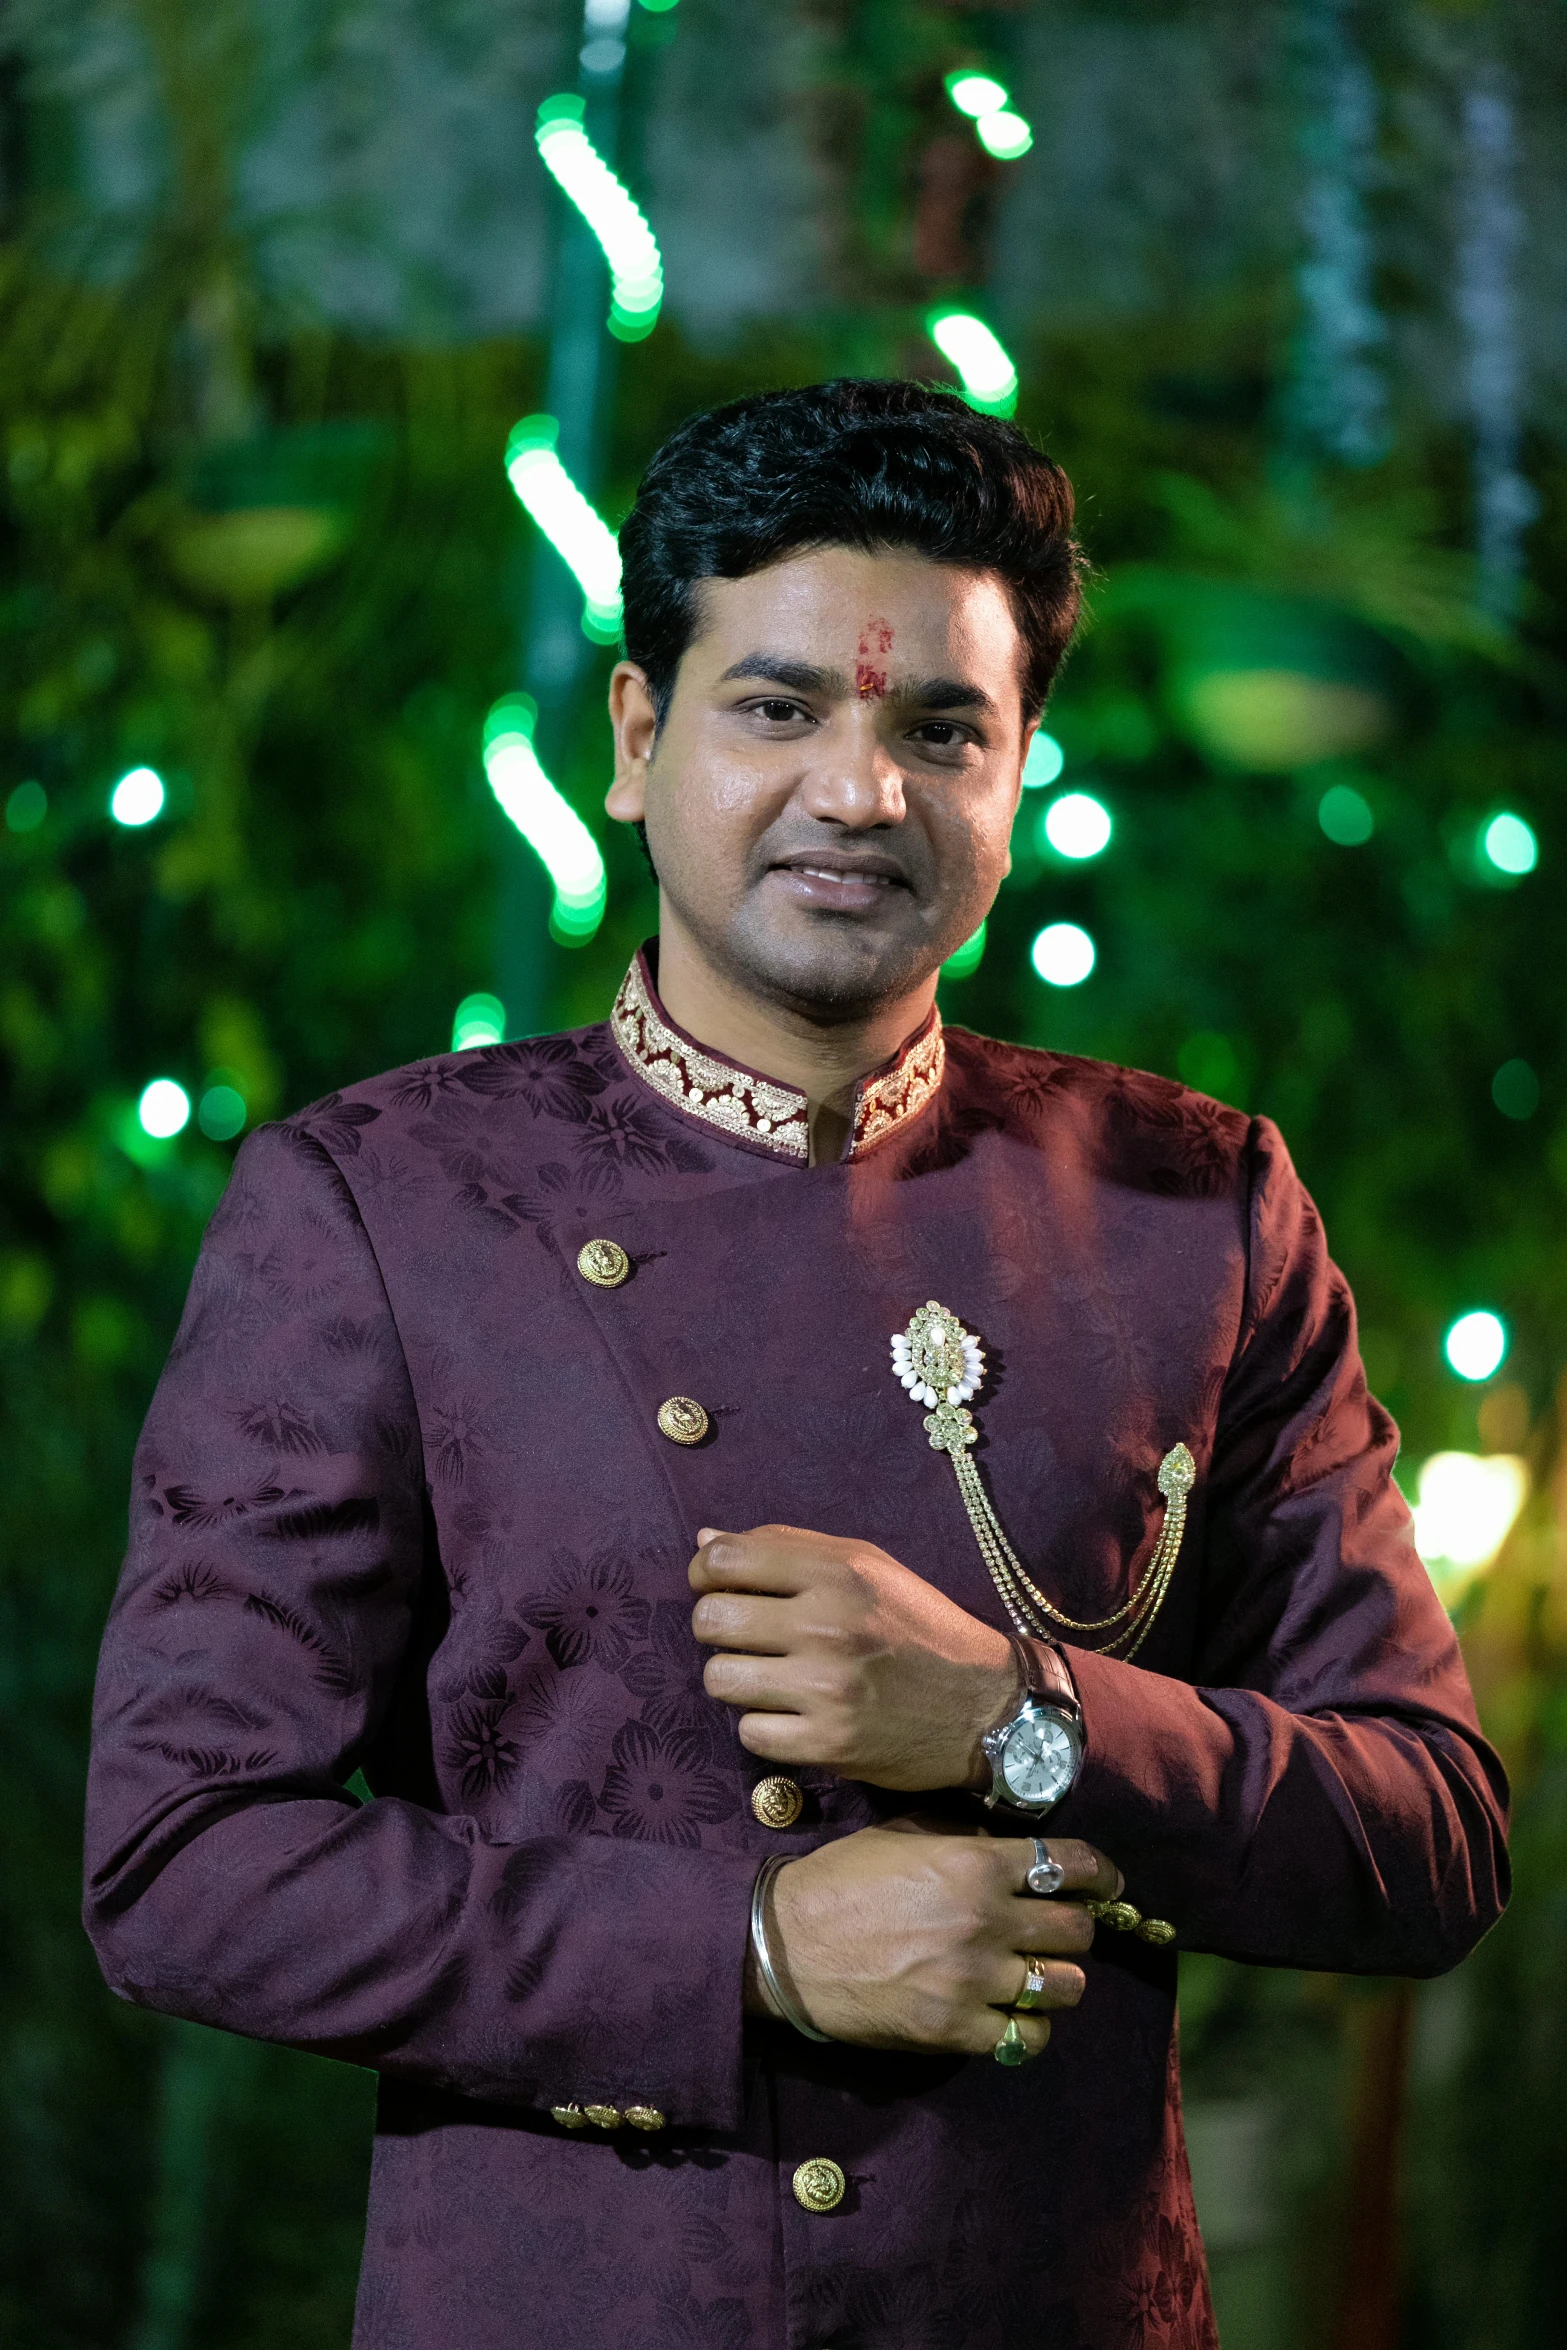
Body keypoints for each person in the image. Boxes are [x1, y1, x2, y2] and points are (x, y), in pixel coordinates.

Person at [84, 379, 1508, 2350]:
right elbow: (183, 1859)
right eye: (779, 708)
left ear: (1018, 774)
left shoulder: (1200, 1205)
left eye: (943, 727)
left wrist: (1022, 1715)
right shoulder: (383, 1206)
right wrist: (746, 1943)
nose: (863, 791)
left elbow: (1429, 1830)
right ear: (635, 739)